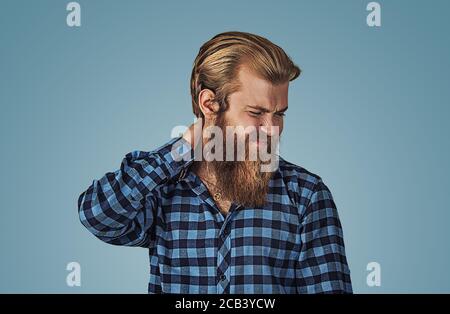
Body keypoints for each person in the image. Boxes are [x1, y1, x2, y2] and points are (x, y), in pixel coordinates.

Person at [78, 31, 352, 293]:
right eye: (256, 112)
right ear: (209, 104)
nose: (272, 129)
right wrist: (181, 149)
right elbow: (99, 216)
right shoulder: (162, 190)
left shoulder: (305, 195)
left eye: (279, 114)